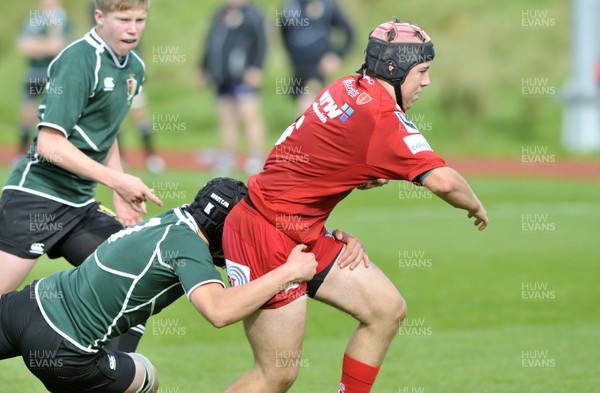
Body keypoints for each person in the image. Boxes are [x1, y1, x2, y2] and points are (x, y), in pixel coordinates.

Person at [222, 21, 489, 392]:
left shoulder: (347, 86)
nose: (426, 82)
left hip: (300, 230)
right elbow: (444, 181)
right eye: (422, 72)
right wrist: (475, 205)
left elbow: (324, 155)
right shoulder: (382, 117)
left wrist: (364, 179)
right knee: (276, 373)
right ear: (394, 71)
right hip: (265, 233)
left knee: (385, 309)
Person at [0, 177, 320, 393]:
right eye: (240, 231)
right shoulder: (189, 247)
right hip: (64, 348)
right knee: (147, 376)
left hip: (27, 305)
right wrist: (289, 272)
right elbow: (219, 311)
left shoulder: (173, 219)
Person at [0, 0, 161, 352]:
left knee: (135, 273)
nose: (133, 28)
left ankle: (108, 375)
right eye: (123, 19)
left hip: (79, 207)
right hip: (34, 200)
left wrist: (119, 188)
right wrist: (116, 181)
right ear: (100, 17)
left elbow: (107, 132)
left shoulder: (133, 67)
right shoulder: (78, 60)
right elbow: (49, 144)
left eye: (140, 19)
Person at [87, 0, 166, 174]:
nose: (132, 26)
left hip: (129, 70)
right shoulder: (99, 7)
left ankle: (151, 155)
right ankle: (120, 159)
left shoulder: (133, 7)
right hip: (108, 71)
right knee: (113, 117)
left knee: (139, 113)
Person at [198, 0, 268, 175]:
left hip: (244, 76)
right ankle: (227, 156)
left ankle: (255, 156)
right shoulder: (220, 13)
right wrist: (204, 67)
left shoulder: (254, 14)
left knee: (249, 116)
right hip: (222, 76)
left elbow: (262, 43)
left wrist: (256, 67)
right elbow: (210, 42)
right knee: (226, 118)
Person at [16, 0, 70, 159]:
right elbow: (24, 47)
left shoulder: (61, 18)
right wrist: (46, 46)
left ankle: (55, 152)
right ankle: (21, 152)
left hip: (54, 74)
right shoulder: (34, 19)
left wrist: (37, 44)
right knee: (28, 111)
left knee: (56, 111)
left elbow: (58, 46)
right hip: (34, 73)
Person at [279, 0, 354, 114]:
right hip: (299, 66)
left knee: (307, 103)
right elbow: (284, 34)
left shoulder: (328, 5)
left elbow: (349, 32)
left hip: (318, 65)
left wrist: (337, 56)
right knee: (303, 103)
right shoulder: (290, 6)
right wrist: (291, 56)